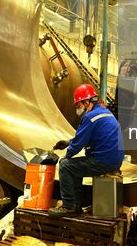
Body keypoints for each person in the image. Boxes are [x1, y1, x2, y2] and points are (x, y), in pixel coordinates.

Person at [49, 84, 124, 217]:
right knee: (75, 168)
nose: (78, 109)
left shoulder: (90, 117)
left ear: (87, 102)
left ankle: (69, 206)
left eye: (79, 105)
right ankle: (76, 205)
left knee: (66, 166)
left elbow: (78, 145)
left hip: (104, 161)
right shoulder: (104, 112)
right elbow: (89, 136)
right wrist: (68, 142)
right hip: (114, 160)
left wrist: (66, 155)